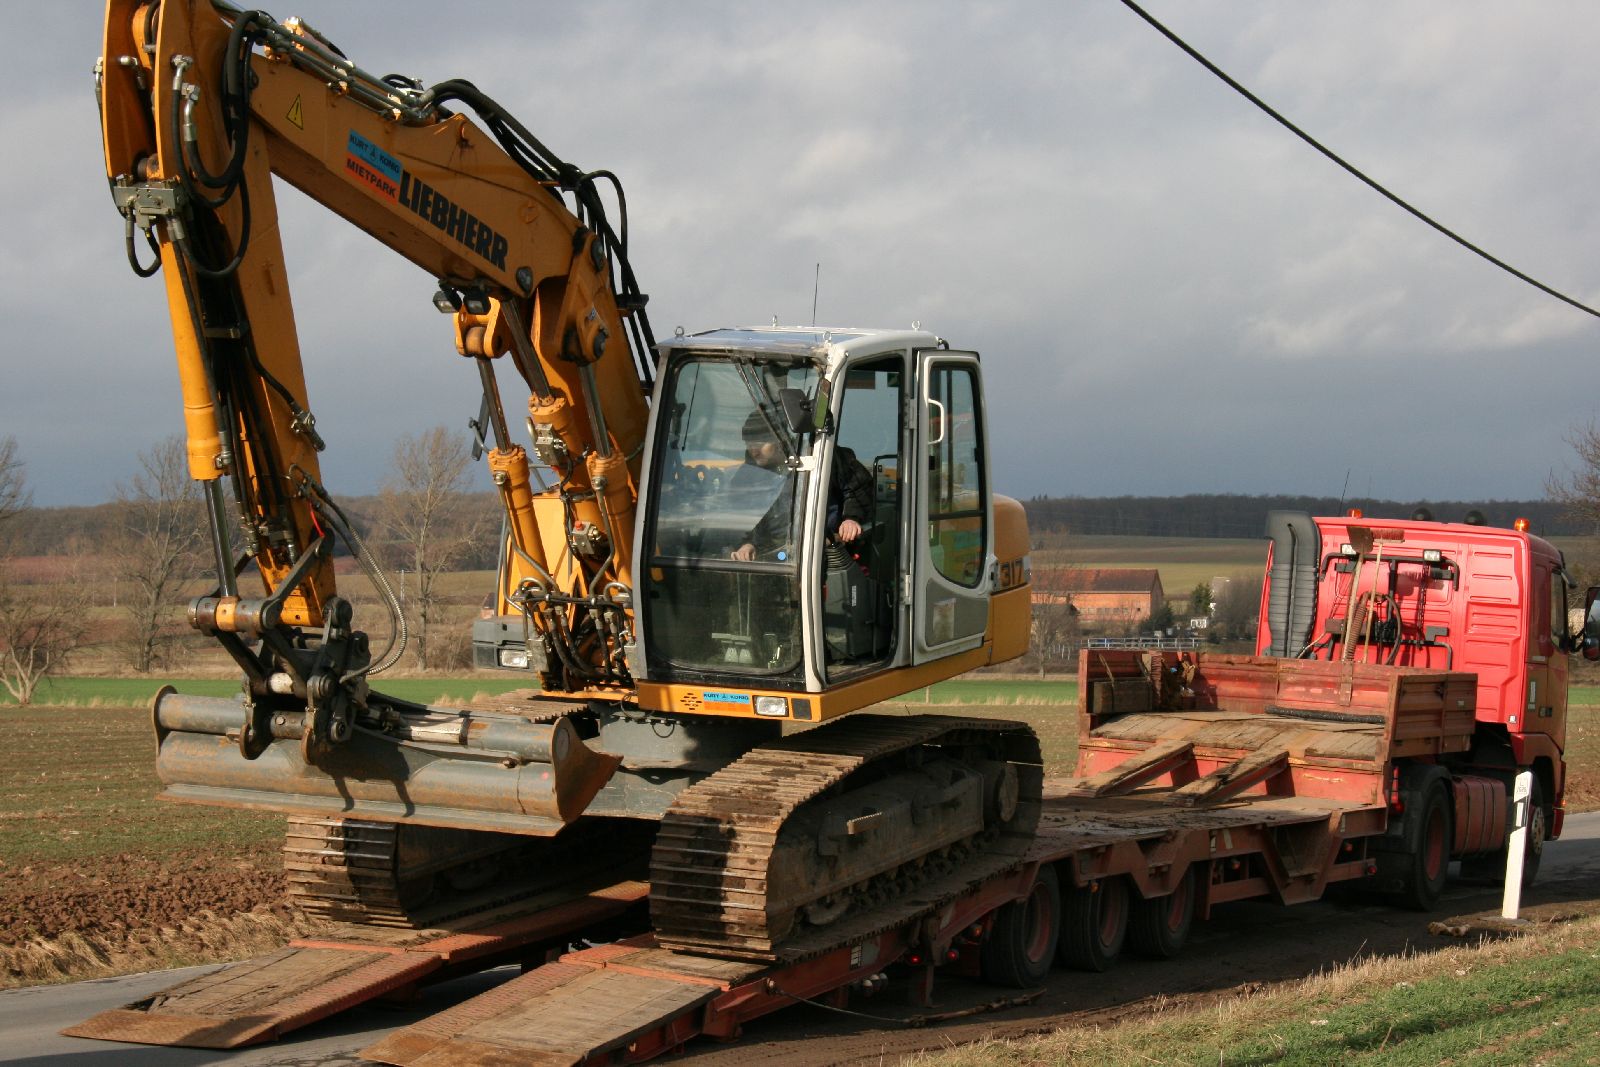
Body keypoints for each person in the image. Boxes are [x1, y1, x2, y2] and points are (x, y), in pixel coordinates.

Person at [731, 411, 874, 561]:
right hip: (772, 555)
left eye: (760, 443)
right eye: (749, 443)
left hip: (825, 549)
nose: (754, 450)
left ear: (780, 438)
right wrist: (747, 543)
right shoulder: (747, 477)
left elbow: (859, 487)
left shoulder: (821, 456)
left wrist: (851, 519)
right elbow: (741, 516)